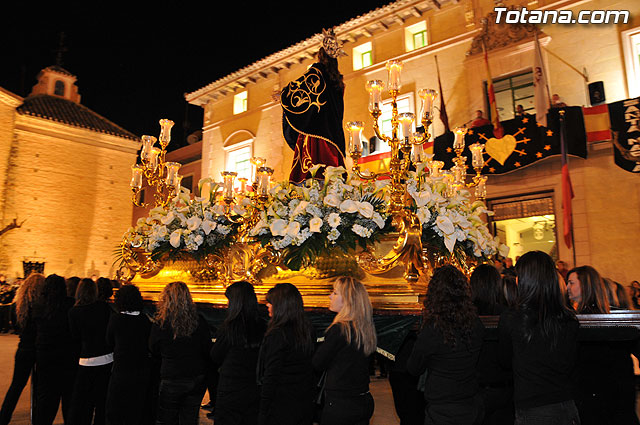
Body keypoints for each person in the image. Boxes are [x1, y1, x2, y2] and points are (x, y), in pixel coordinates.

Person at [498, 251, 579, 425]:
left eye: (519, 276)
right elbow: (571, 363)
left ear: (526, 280)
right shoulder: (568, 318)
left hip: (533, 409)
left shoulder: (512, 318)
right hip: (567, 405)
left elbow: (505, 361)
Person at [407, 265, 485, 425]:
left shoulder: (434, 328)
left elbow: (414, 368)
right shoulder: (476, 323)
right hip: (470, 401)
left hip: (442, 407)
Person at [566, 266, 640, 425]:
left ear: (585, 284)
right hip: (611, 397)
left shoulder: (595, 319)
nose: (567, 287)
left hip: (602, 399)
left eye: (571, 283)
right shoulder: (586, 317)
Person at [281, 28, 346, 184]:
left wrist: (284, 94)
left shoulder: (316, 71)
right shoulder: (339, 83)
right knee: (331, 176)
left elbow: (301, 88)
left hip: (315, 133)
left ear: (320, 56)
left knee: (312, 174)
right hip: (333, 137)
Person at [313, 277, 377, 425]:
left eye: (335, 293)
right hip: (363, 398)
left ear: (347, 300)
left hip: (340, 404)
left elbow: (318, 363)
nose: (330, 296)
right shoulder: (365, 328)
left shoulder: (340, 329)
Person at [149, 281, 212, 425]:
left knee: (167, 419)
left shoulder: (161, 323)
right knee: (189, 418)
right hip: (196, 377)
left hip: (172, 377)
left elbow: (153, 348)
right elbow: (207, 347)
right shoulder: (199, 321)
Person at [257, 282, 315, 425]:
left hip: (280, 404)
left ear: (281, 305)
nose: (267, 305)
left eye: (270, 302)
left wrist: (263, 412)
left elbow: (271, 375)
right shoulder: (307, 329)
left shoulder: (277, 334)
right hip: (303, 401)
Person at [210, 281, 266, 425]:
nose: (227, 305)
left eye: (229, 300)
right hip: (254, 388)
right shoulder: (263, 325)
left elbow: (215, 355)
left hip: (230, 389)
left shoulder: (230, 327)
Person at [469, 264, 514, 425]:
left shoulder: (466, 314)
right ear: (496, 286)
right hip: (502, 386)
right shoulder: (505, 314)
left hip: (474, 388)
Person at [0, 273, 45, 425]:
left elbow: (16, 326)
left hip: (24, 349)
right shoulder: (43, 306)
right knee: (40, 389)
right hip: (39, 350)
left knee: (16, 385)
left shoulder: (17, 305)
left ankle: (4, 417)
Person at [68, 278, 113, 425]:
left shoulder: (74, 312)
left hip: (86, 360)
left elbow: (75, 337)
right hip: (106, 358)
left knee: (84, 403)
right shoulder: (104, 308)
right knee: (102, 401)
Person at [34, 274, 78, 425]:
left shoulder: (39, 304)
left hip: (45, 356)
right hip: (67, 356)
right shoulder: (70, 304)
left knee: (46, 398)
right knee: (68, 398)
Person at [105, 284, 152, 425]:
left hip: (121, 369)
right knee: (135, 407)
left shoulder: (116, 319)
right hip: (140, 370)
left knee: (116, 408)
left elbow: (109, 341)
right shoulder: (144, 320)